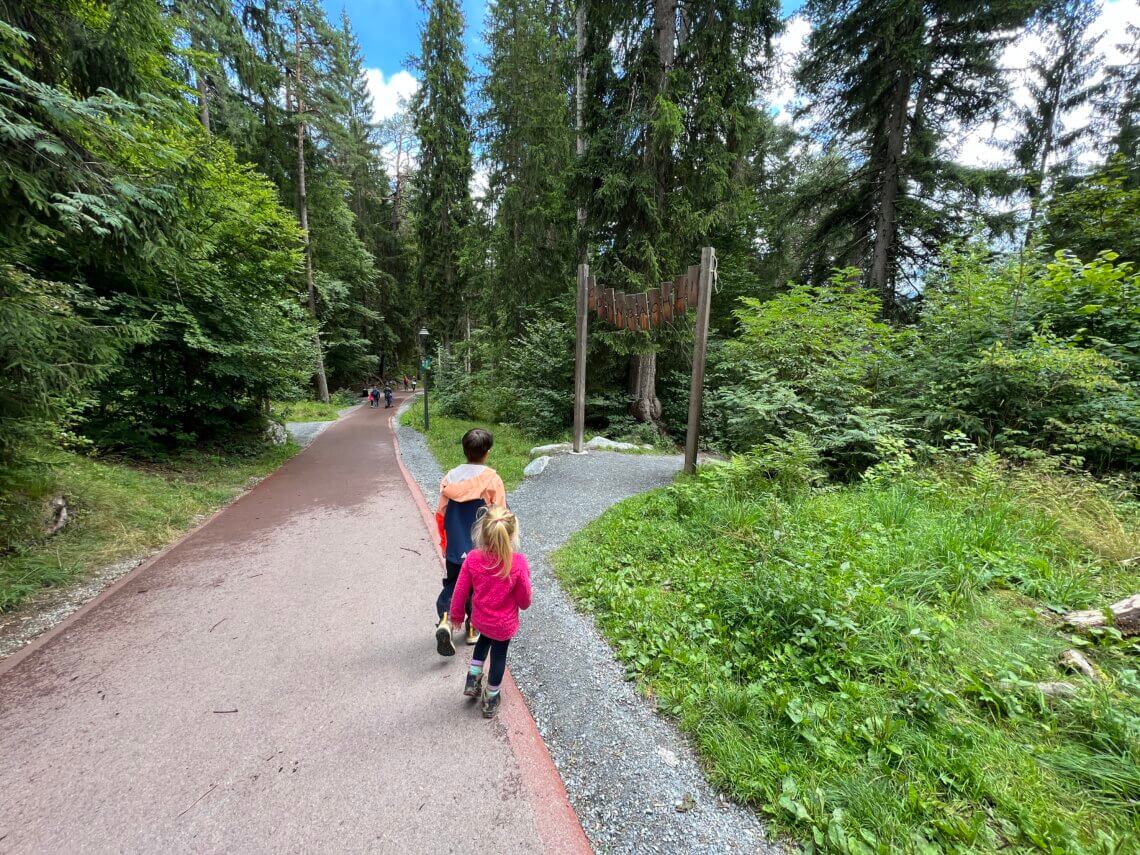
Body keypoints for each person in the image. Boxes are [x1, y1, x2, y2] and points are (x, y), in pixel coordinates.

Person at [449, 507, 531, 718]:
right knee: (498, 656)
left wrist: (457, 616)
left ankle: (473, 679)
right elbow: (524, 602)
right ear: (511, 535)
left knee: (483, 642)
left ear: (482, 533)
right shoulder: (518, 563)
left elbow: (459, 590)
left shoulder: (473, 559)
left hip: (481, 620)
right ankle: (491, 697)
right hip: (503, 625)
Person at [434, 428, 505, 656]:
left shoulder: (450, 478)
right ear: (487, 453)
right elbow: (500, 514)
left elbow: (441, 514)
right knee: (478, 587)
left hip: (455, 544)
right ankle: (473, 628)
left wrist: (445, 542)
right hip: (481, 547)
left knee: (454, 582)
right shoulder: (492, 479)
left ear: (464, 450)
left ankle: (445, 619)